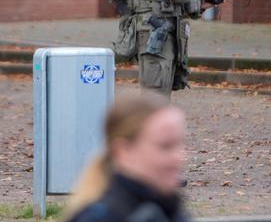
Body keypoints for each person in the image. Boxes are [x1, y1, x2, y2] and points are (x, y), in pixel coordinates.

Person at [65, 92, 190, 222]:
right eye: (165, 146)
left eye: (180, 144)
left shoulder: (169, 209)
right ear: (123, 151)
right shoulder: (101, 216)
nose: (179, 157)